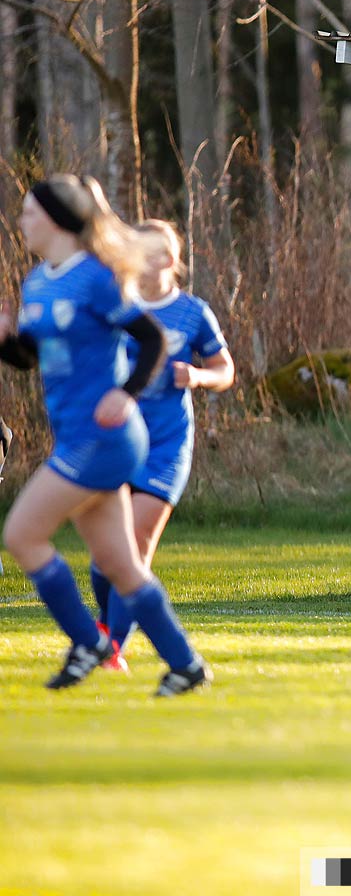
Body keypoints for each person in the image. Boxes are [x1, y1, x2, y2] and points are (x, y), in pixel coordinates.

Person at [0, 175, 210, 695]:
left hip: (104, 438)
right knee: (121, 564)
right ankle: (185, 665)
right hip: (76, 434)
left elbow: (152, 338)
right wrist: (6, 341)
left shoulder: (96, 278)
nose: (21, 221)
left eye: (29, 212)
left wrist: (128, 393)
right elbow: (31, 358)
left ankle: (86, 641)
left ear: (56, 218)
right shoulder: (38, 282)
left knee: (21, 535)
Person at [88, 221, 236, 672]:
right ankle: (106, 628)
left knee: (136, 544)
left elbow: (225, 370)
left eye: (153, 253)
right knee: (104, 555)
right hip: (118, 441)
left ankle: (113, 647)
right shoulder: (118, 307)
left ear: (170, 261)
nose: (141, 260)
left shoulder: (193, 313)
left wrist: (197, 376)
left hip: (167, 445)